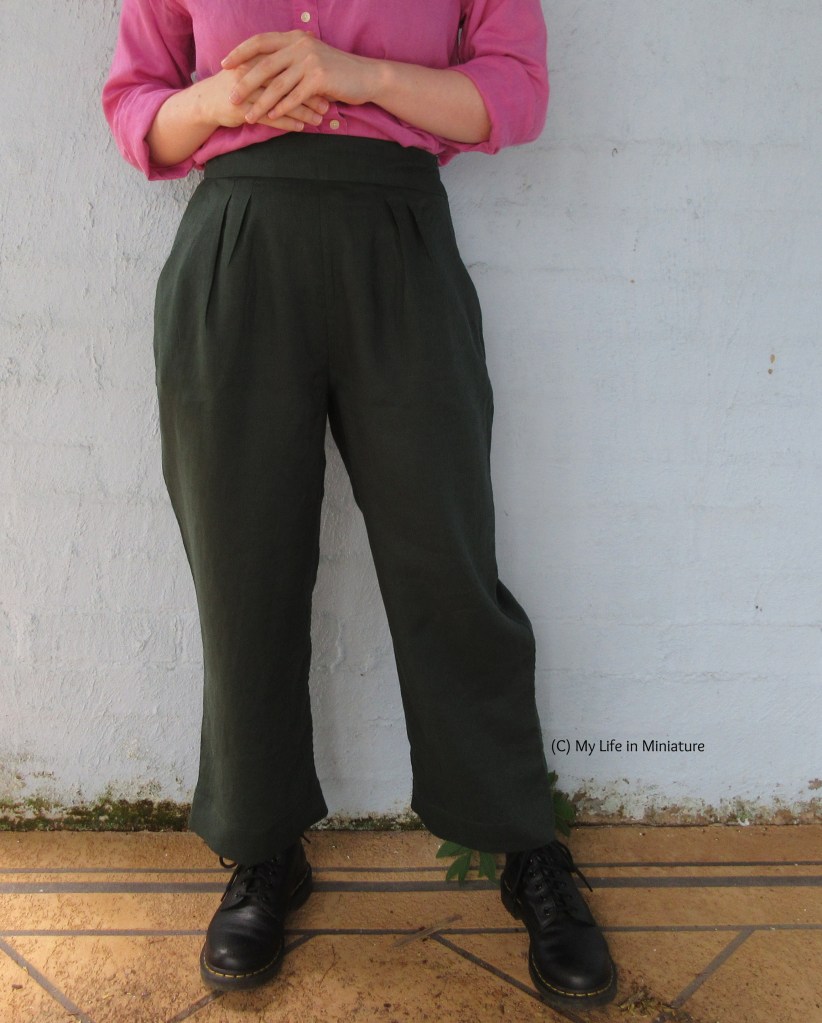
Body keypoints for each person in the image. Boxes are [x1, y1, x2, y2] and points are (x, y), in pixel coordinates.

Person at [102, 0, 617, 1011]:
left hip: (399, 242)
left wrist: (358, 75)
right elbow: (139, 114)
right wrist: (226, 95)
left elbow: (510, 95)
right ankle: (261, 850)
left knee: (448, 558)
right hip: (238, 245)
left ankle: (521, 842)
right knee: (242, 566)